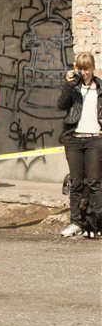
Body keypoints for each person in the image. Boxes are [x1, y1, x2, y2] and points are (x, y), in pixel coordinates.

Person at [57, 52, 102, 237]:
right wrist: (68, 85)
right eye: (80, 69)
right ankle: (76, 222)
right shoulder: (73, 88)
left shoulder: (100, 88)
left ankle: (96, 224)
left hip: (94, 139)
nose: (84, 73)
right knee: (75, 183)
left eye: (87, 69)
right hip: (74, 139)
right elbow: (61, 105)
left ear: (93, 68)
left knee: (94, 182)